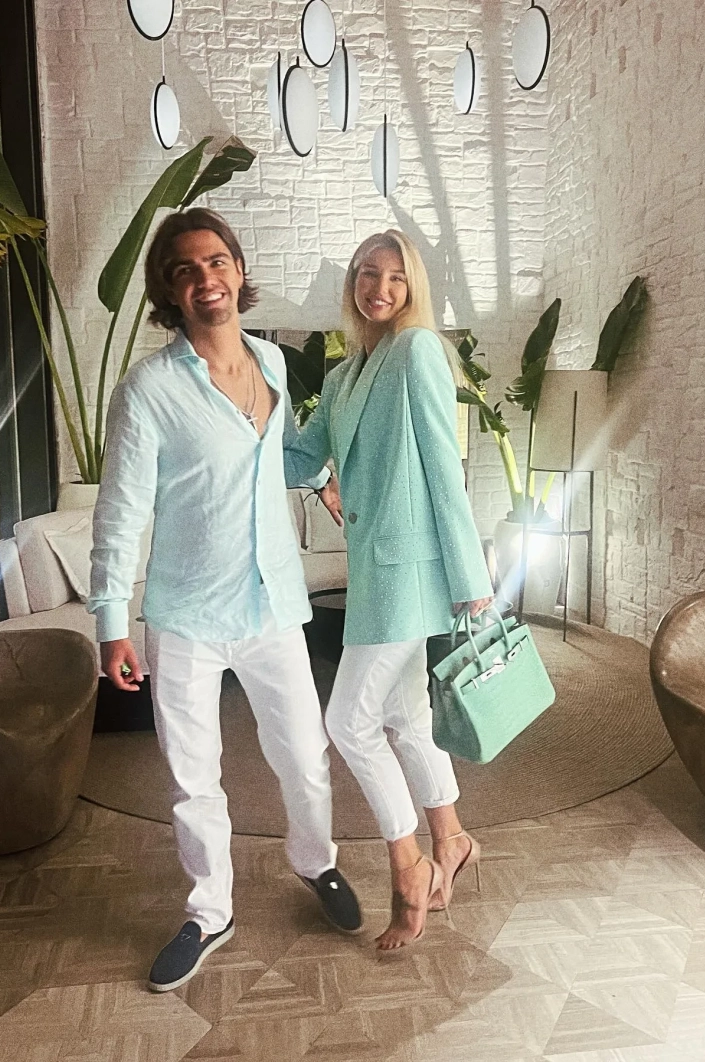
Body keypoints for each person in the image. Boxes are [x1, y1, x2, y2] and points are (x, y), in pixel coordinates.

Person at [87, 207, 361, 993]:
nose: (205, 279)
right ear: (169, 294)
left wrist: (322, 478)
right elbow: (120, 512)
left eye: (216, 262)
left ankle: (316, 861)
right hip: (186, 617)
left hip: (273, 602)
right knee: (194, 777)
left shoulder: (271, 362)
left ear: (238, 271)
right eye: (185, 271)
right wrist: (111, 622)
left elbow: (276, 454)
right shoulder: (148, 391)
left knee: (304, 755)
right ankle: (211, 912)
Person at [284, 230, 494, 951]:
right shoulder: (345, 375)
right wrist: (251, 411)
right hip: (374, 571)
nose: (380, 287)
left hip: (413, 574)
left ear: (412, 289)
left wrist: (471, 578)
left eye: (396, 278)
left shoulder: (418, 352)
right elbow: (299, 457)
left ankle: (408, 865)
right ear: (352, 282)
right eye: (368, 273)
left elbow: (443, 464)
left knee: (348, 722)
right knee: (405, 717)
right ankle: (453, 839)